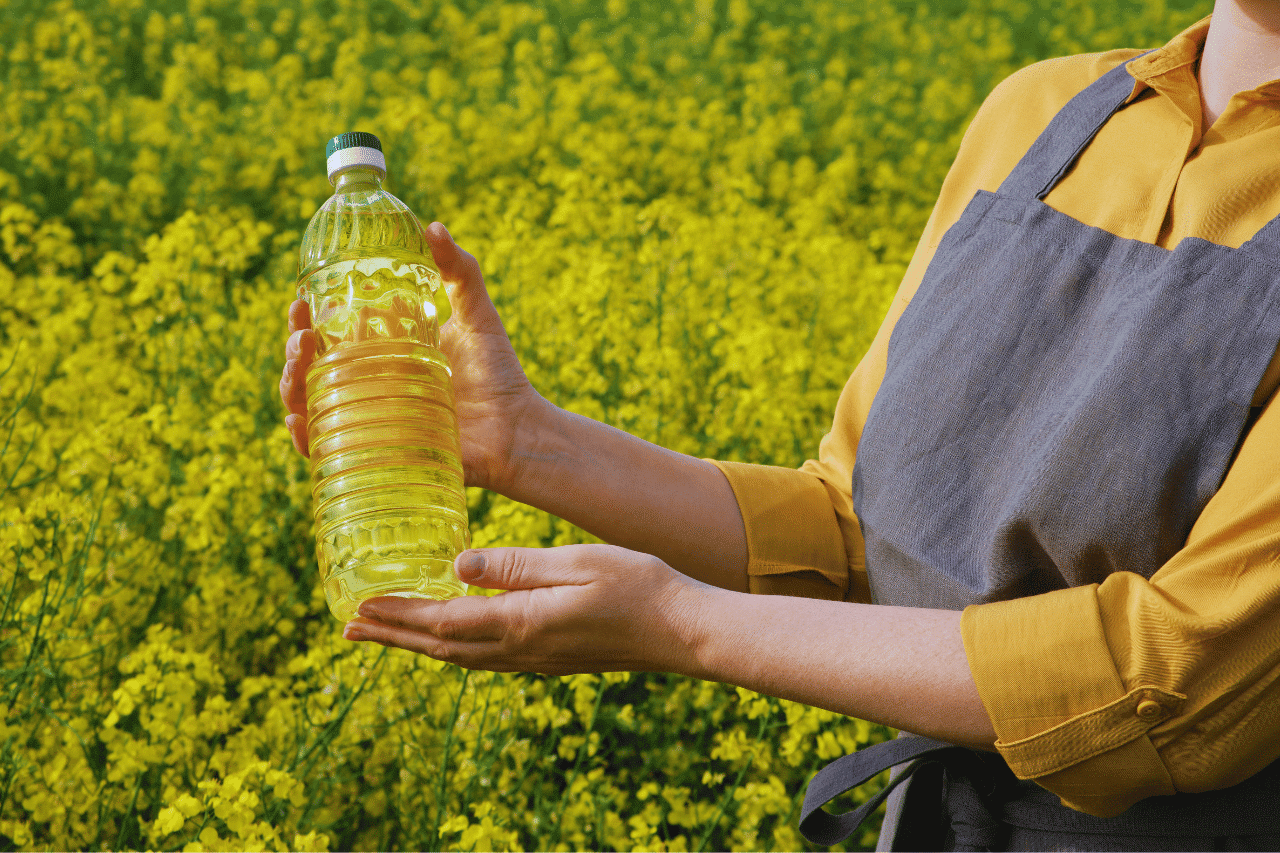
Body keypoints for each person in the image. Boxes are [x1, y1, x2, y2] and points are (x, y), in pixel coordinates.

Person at [279, 1, 1280, 848]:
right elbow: (857, 531)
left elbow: (1176, 684)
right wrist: (524, 441)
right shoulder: (1039, 112)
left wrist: (679, 624)